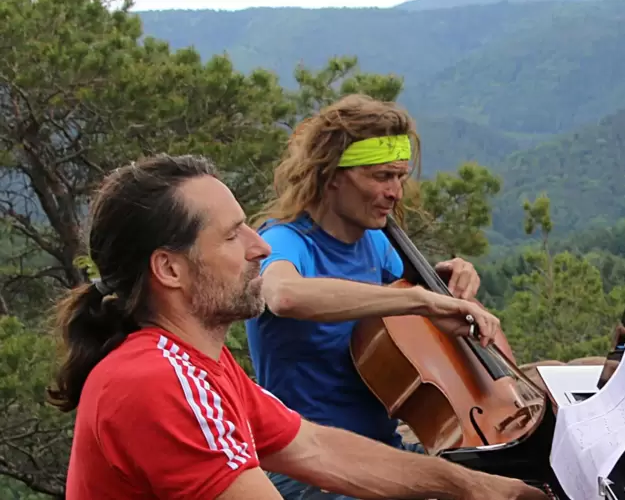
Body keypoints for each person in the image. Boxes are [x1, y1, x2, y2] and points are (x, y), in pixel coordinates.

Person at [47, 154, 546, 500]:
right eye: (230, 237)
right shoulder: (156, 381)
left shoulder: (198, 364)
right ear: (169, 269)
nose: (259, 246)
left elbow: (317, 447)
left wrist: (465, 483)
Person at [245, 94, 518, 499]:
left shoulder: (376, 243)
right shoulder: (285, 240)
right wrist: (420, 301)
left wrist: (442, 285)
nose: (396, 193)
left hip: (383, 454)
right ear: (332, 174)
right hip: (308, 464)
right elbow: (283, 294)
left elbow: (412, 312)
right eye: (381, 177)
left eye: (401, 178)